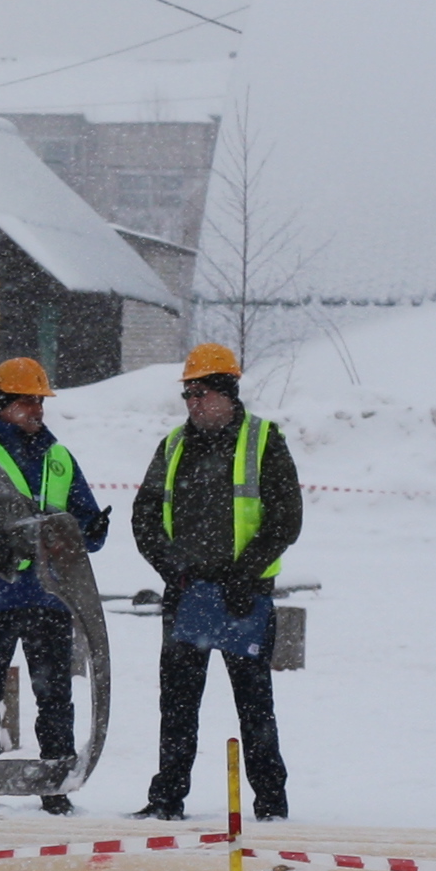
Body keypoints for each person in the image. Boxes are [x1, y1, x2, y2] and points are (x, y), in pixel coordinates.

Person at [130, 342, 301, 823]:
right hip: (188, 594)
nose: (193, 403)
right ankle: (166, 799)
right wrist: (174, 570)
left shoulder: (265, 441)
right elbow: (143, 517)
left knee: (255, 706)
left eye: (200, 393)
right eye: (187, 395)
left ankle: (271, 804)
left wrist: (244, 574)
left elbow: (286, 520)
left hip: (244, 597)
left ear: (228, 393)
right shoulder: (172, 446)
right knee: (178, 706)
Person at [0, 356, 108, 815]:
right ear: (2, 403)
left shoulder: (59, 457)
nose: (37, 409)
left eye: (39, 401)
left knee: (54, 693)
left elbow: (85, 520)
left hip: (47, 597)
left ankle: (55, 780)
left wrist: (91, 529)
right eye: (28, 401)